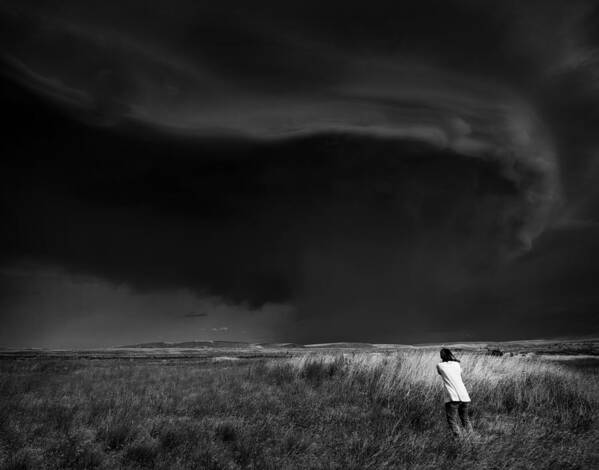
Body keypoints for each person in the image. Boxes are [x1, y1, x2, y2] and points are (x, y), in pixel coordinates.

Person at [436, 348, 473, 437]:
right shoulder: (457, 364)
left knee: (452, 420)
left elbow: (440, 373)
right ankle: (471, 437)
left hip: (452, 397)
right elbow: (459, 374)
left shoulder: (439, 365)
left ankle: (458, 440)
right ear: (450, 354)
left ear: (441, 356)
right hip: (464, 395)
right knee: (465, 419)